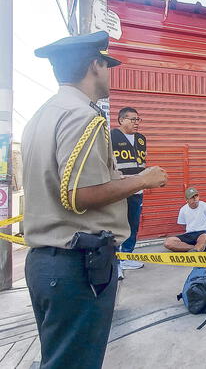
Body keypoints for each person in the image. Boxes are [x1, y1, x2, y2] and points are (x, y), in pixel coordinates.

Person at [22, 31, 167, 369]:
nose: (111, 73)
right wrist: (142, 180)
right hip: (77, 265)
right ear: (94, 65)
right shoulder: (83, 116)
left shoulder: (42, 115)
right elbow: (79, 194)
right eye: (108, 64)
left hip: (49, 262)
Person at [111, 107, 146, 273]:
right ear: (121, 120)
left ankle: (127, 256)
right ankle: (115, 260)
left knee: (133, 223)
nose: (136, 123)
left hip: (137, 189)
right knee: (117, 224)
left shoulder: (141, 139)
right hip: (119, 190)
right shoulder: (111, 137)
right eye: (132, 119)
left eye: (138, 119)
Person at [164, 187, 206, 252]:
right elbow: (183, 225)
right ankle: (196, 248)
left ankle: (198, 248)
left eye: (196, 196)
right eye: (192, 197)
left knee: (203, 237)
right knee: (168, 242)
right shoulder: (183, 209)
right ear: (187, 200)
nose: (195, 198)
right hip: (190, 234)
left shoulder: (205, 206)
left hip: (205, 232)